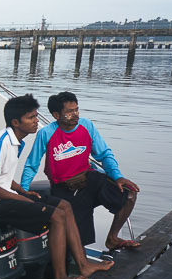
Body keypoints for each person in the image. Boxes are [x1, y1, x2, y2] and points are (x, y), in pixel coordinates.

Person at [0, 94, 113, 279]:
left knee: (65, 206)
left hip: (0, 195)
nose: (37, 121)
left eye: (36, 116)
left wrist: (22, 191)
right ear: (15, 122)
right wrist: (22, 199)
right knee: (56, 216)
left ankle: (84, 265)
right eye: (31, 118)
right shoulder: (0, 142)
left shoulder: (16, 142)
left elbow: (2, 177)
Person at [20, 91, 139, 250]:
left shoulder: (86, 125)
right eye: (69, 112)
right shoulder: (46, 133)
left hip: (89, 178)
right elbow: (31, 164)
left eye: (76, 109)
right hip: (64, 188)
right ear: (56, 115)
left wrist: (118, 176)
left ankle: (112, 238)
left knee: (129, 195)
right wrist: (23, 191)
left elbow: (104, 154)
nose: (75, 114)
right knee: (77, 239)